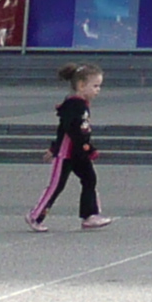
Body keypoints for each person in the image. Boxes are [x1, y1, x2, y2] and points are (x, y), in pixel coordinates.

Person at [28, 61, 111, 229]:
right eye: (95, 86)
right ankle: (35, 216)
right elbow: (69, 130)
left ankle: (90, 215)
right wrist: (58, 148)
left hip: (79, 153)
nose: (98, 90)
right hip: (67, 154)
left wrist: (85, 148)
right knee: (56, 185)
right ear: (81, 85)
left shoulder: (80, 105)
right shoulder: (74, 105)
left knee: (89, 179)